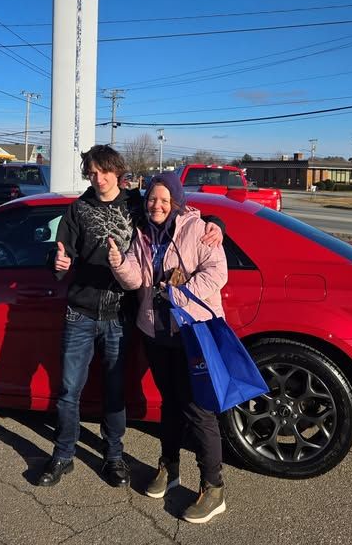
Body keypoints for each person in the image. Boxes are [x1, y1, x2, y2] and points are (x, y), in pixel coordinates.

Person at [39, 145, 223, 488]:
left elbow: (176, 211)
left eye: (103, 172)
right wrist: (56, 261)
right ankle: (63, 454)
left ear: (117, 172)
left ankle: (113, 457)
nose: (98, 178)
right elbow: (63, 251)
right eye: (91, 173)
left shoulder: (136, 204)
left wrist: (217, 223)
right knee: (68, 389)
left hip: (120, 316)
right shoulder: (78, 209)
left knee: (114, 390)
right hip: (80, 312)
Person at [107, 171, 229, 524]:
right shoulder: (143, 233)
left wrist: (178, 294)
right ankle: (169, 467)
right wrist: (118, 263)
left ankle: (214, 487)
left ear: (175, 201)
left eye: (163, 200)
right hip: (156, 333)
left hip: (191, 333)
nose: (156, 205)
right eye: (151, 199)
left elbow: (217, 272)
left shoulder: (198, 229)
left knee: (199, 410)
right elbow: (136, 278)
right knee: (170, 405)